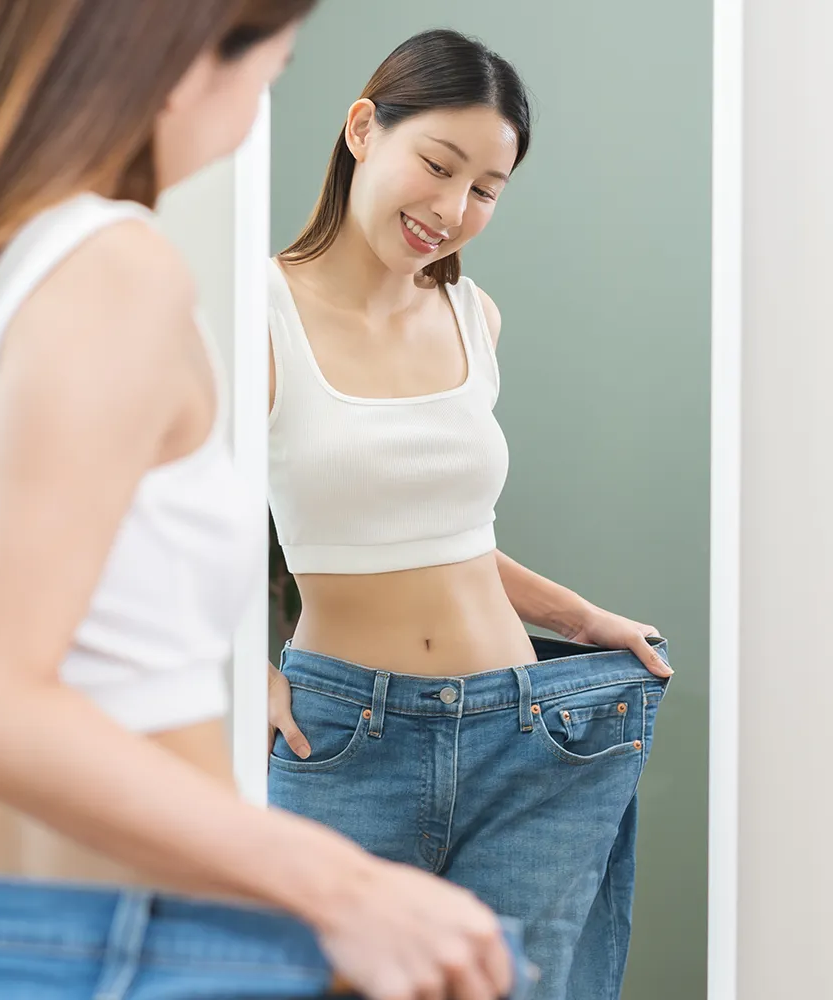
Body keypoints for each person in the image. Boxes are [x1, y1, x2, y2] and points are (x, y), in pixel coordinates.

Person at [0, 5, 528, 999]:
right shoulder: (108, 266)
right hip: (141, 947)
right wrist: (347, 889)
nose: (254, 110)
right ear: (180, 64)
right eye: (269, 72)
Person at [266, 28, 673, 1000]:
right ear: (363, 128)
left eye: (486, 188)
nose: (451, 209)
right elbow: (184, 525)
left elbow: (446, 535)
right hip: (345, 739)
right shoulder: (259, 317)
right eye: (437, 165)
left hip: (520, 725)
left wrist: (574, 617)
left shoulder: (471, 316)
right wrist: (240, 658)